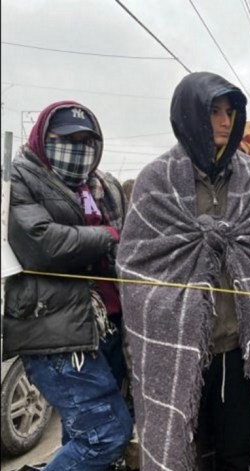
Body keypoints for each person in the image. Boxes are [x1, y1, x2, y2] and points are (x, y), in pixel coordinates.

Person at [116, 72, 250, 471]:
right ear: (189, 114)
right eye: (214, 111)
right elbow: (136, 265)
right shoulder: (156, 180)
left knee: (238, 451)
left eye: (231, 112)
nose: (226, 121)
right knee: (187, 454)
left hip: (239, 350)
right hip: (178, 350)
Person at [5, 101, 132, 470]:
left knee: (81, 435)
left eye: (86, 141)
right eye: (67, 139)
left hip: (104, 324)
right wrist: (109, 235)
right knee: (106, 434)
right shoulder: (20, 178)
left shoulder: (103, 185)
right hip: (53, 329)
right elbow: (41, 242)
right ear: (45, 139)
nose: (78, 149)